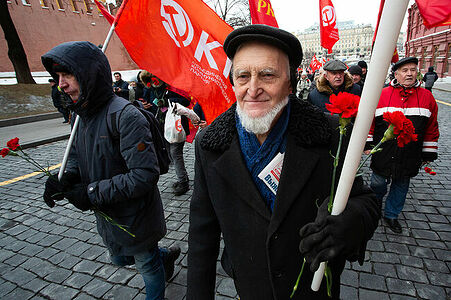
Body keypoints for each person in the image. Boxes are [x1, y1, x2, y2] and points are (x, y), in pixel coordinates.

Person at [187, 24, 380, 300]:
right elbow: (201, 235)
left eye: (267, 75)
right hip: (251, 286)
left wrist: (350, 222)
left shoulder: (330, 134)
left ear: (291, 82)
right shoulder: (210, 144)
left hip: (312, 288)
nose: (253, 89)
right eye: (243, 76)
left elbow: (366, 201)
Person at [41, 41, 180, 300]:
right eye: (58, 76)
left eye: (68, 74)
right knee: (119, 258)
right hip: (108, 214)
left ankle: (158, 267)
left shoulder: (126, 116)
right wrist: (66, 177)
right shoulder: (79, 114)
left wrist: (91, 193)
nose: (61, 83)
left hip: (136, 215)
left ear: (89, 74)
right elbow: (75, 155)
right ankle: (165, 255)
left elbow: (143, 175)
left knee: (147, 266)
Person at [365, 57, 439, 234]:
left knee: (401, 184)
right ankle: (374, 209)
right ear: (396, 74)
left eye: (413, 70)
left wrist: (429, 152)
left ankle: (391, 214)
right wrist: (368, 143)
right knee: (377, 183)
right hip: (384, 151)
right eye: (405, 70)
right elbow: (370, 122)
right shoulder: (381, 94)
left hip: (409, 152)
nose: (409, 74)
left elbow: (432, 126)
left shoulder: (426, 97)